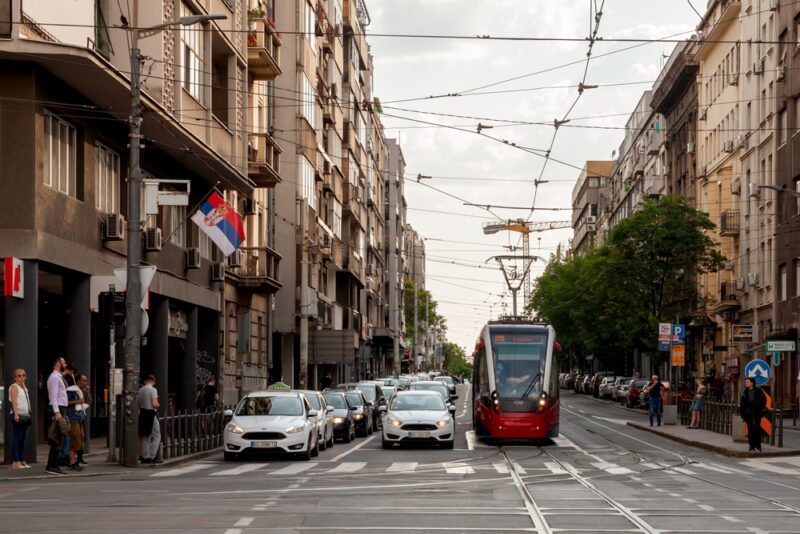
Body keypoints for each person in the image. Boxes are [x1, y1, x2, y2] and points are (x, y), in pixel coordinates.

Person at [46, 357, 69, 475]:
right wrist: (57, 412)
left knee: (59, 437)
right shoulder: (54, 378)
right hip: (58, 408)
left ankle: (52, 464)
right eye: (64, 362)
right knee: (56, 437)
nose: (66, 364)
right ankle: (52, 465)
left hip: (61, 408)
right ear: (58, 364)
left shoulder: (58, 377)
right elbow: (53, 396)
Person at [8, 368, 32, 469]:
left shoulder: (23, 388)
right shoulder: (14, 387)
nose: (22, 377)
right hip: (18, 415)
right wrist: (16, 414)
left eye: (23, 375)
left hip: (25, 416)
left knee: (23, 439)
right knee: (16, 438)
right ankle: (15, 461)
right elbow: (13, 402)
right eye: (19, 375)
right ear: (15, 377)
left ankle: (22, 460)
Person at [137, 375, 162, 464]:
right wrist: (158, 403)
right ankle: (152, 455)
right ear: (153, 381)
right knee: (157, 435)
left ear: (144, 381)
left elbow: (138, 403)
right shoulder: (153, 390)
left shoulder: (140, 390)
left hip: (142, 413)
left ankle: (144, 456)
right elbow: (155, 404)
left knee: (145, 435)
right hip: (151, 413)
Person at [66, 373, 87, 471]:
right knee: (75, 439)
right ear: (78, 381)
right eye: (84, 380)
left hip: (79, 417)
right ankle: (72, 462)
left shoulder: (80, 391)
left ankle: (75, 460)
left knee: (80, 438)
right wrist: (78, 401)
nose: (85, 382)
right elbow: (66, 402)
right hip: (72, 417)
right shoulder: (71, 390)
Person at [740, 377, 766, 452]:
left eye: (747, 382)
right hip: (748, 413)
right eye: (746, 382)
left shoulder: (758, 391)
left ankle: (758, 446)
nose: (746, 383)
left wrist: (759, 408)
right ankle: (751, 446)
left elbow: (763, 400)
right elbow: (742, 404)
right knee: (750, 430)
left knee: (757, 429)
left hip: (757, 413)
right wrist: (743, 414)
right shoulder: (745, 392)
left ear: (752, 383)